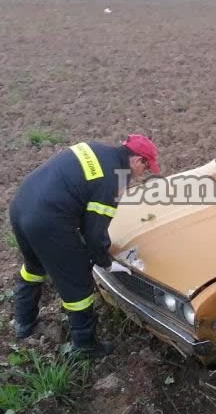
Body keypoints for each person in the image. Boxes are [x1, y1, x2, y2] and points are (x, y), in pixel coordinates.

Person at [9, 134, 160, 358]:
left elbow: (75, 191)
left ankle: (23, 322)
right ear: (138, 161)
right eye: (146, 169)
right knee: (77, 283)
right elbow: (95, 234)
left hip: (21, 206)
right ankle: (85, 345)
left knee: (34, 268)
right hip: (48, 221)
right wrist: (107, 263)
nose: (142, 174)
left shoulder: (95, 148)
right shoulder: (115, 179)